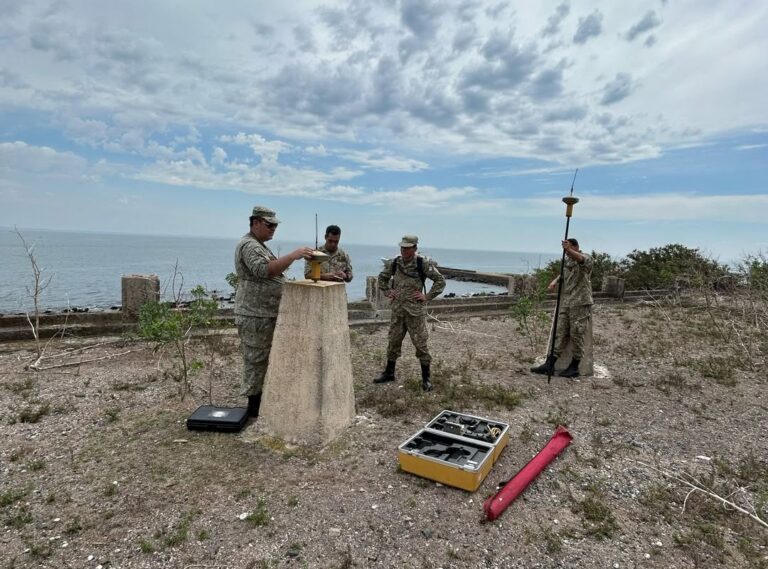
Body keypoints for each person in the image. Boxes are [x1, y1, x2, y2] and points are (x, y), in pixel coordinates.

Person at [234, 206, 314, 417]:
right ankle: (253, 410)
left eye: (275, 225)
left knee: (264, 359)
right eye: (269, 225)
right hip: (255, 314)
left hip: (264, 313)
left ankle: (262, 405)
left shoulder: (258, 245)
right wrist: (293, 256)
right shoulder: (249, 245)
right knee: (256, 360)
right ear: (256, 223)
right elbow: (264, 270)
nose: (273, 229)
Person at [373, 235, 446, 391]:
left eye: (407, 247)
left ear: (414, 248)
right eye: (402, 247)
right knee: (393, 342)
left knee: (421, 345)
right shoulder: (395, 263)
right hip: (398, 311)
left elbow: (440, 280)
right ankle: (389, 373)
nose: (404, 250)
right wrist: (388, 292)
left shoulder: (422, 263)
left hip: (415, 313)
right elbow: (382, 278)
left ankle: (426, 379)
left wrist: (426, 296)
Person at [531, 238, 593, 378]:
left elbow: (581, 260)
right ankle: (550, 364)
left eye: (569, 250)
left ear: (576, 247)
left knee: (577, 333)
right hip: (567, 301)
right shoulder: (569, 260)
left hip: (580, 302)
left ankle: (574, 366)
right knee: (560, 331)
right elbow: (565, 273)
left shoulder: (586, 258)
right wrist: (555, 281)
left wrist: (568, 250)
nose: (567, 254)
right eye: (565, 252)